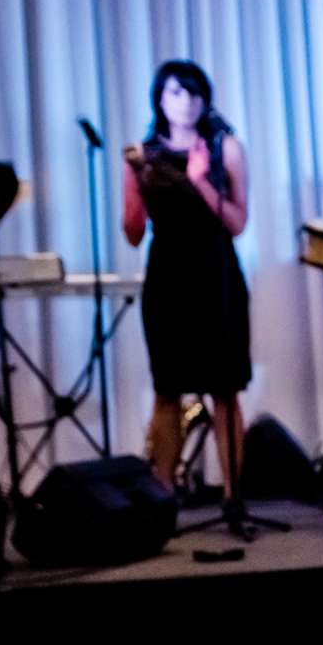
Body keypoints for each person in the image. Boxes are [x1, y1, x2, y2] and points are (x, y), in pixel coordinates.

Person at [120, 60, 251, 493]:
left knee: (225, 390)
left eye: (194, 93)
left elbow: (236, 222)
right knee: (167, 390)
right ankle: (163, 497)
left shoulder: (224, 147)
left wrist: (199, 181)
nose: (186, 102)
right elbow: (134, 232)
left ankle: (234, 496)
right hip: (168, 276)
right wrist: (137, 188)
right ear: (160, 99)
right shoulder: (142, 154)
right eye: (176, 93)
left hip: (217, 275)